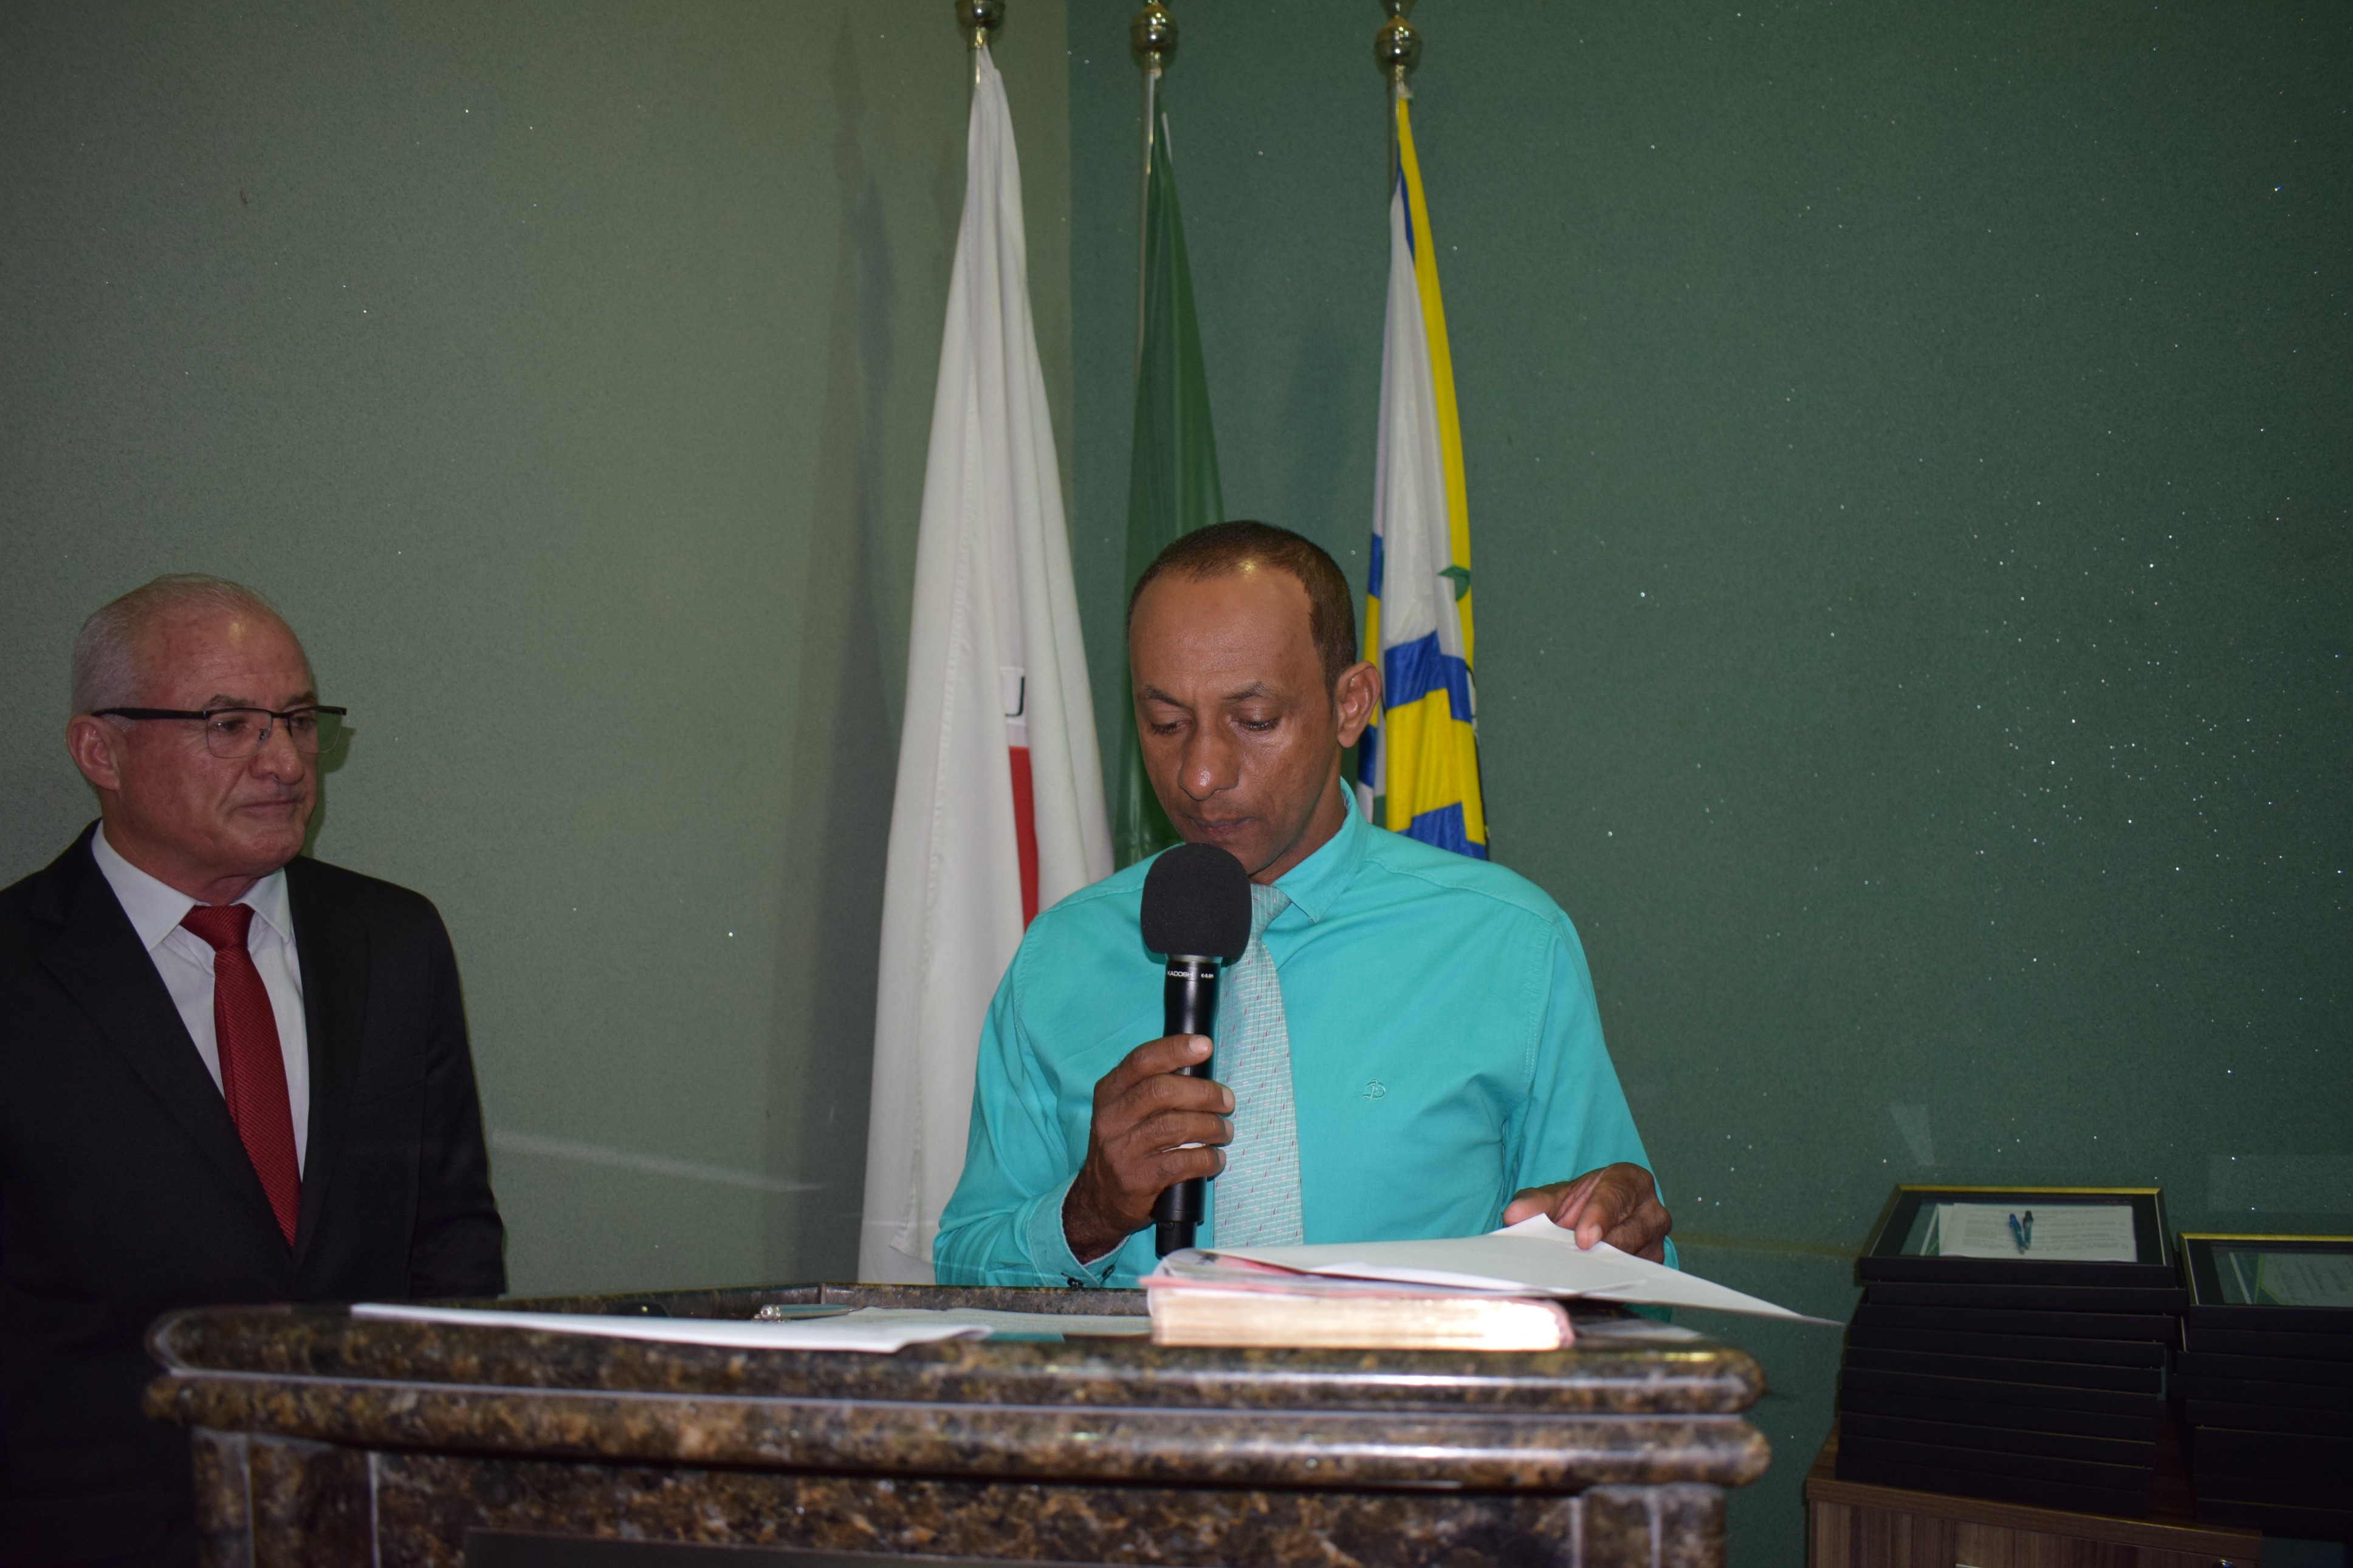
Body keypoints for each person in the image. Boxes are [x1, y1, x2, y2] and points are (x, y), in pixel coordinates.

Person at [934, 522, 1671, 1287]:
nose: (1200, 774)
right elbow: (959, 1268)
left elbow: (1618, 1262)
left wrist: (1616, 1251)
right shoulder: (1061, 955)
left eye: (1253, 721)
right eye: (1166, 724)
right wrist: (1087, 1212)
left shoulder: (1510, 946)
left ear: (1350, 704)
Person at [0, 575, 504, 1567]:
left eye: (299, 721)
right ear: (100, 750)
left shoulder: (394, 941)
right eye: (230, 724)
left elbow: (451, 1235)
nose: (284, 762)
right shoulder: (17, 968)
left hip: (369, 1519)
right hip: (86, 1529)